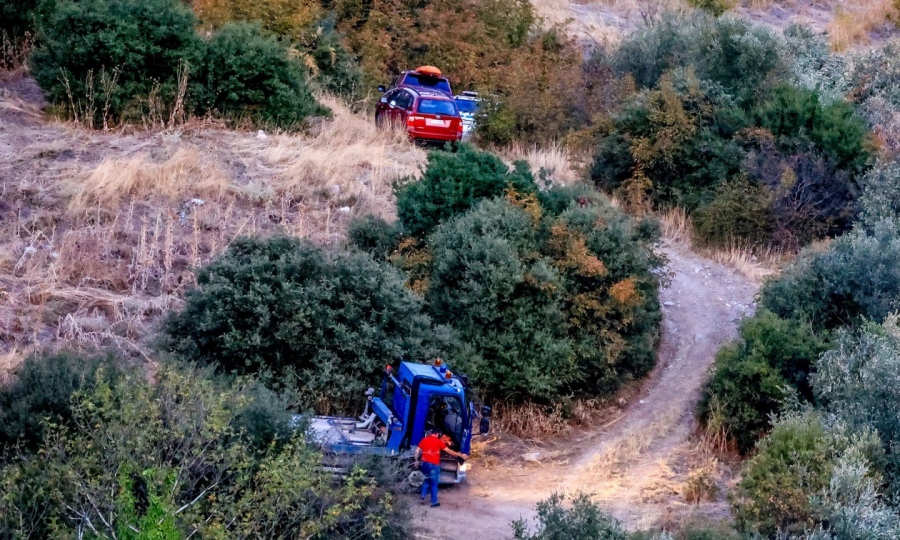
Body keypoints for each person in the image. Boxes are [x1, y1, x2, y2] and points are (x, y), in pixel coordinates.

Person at [415, 429, 468, 507]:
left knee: (426, 481)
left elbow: (417, 451)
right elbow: (449, 451)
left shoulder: (424, 440)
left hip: (424, 464)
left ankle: (422, 498)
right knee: (434, 484)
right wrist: (460, 455)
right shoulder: (438, 441)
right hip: (433, 465)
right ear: (437, 434)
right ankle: (434, 502)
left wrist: (416, 460)